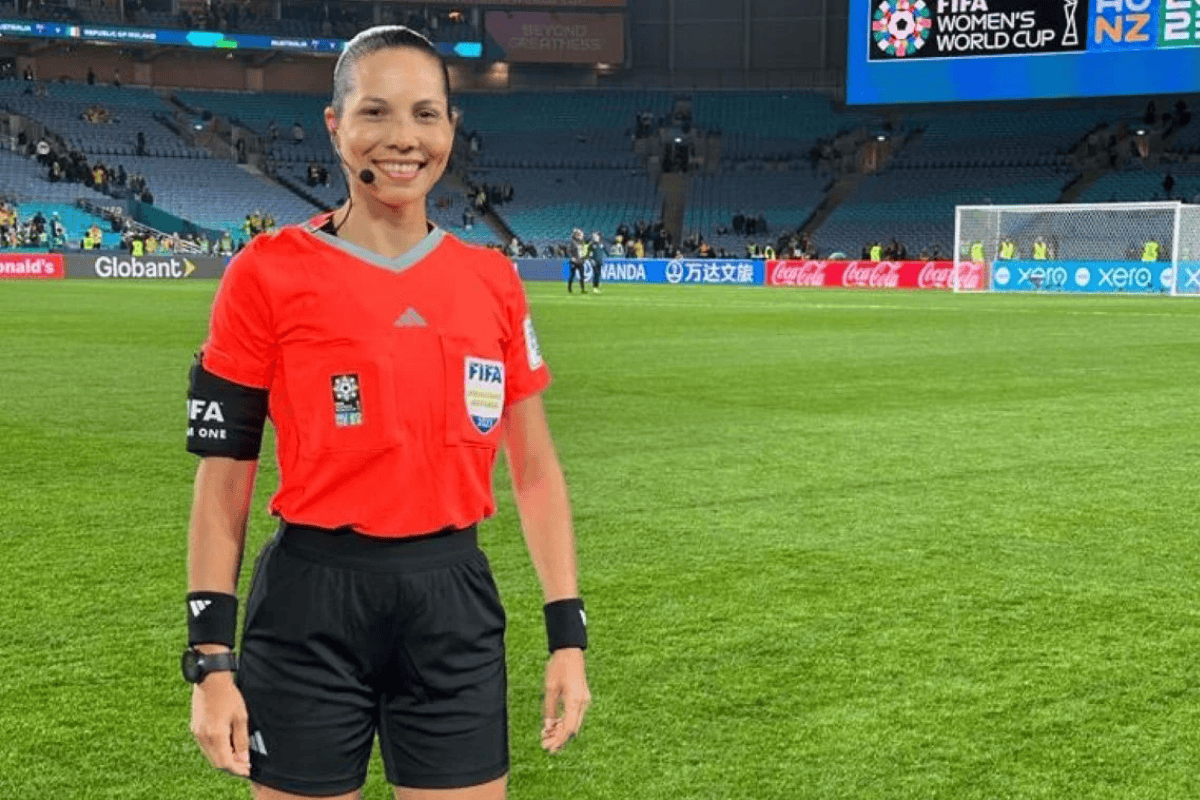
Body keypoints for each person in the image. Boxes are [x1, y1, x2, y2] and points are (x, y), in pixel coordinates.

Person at [183, 26, 590, 800]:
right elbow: (223, 481)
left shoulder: (492, 281)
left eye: (425, 115)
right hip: (309, 602)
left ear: (451, 129)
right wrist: (209, 657)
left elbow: (534, 473)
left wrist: (566, 637)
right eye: (376, 113)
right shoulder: (264, 274)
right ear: (335, 126)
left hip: (452, 603)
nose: (403, 139)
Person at [567, 227, 588, 294]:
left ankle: (583, 289)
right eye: (578, 234)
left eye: (580, 234)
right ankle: (569, 288)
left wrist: (584, 258)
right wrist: (572, 258)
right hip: (574, 261)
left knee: (582, 275)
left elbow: (584, 251)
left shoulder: (582, 242)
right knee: (572, 275)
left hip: (580, 261)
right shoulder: (572, 242)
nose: (580, 236)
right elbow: (569, 251)